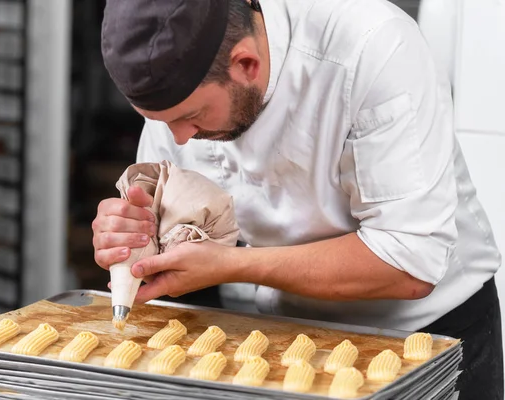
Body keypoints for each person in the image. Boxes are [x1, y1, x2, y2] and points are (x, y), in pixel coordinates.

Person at [93, 0, 503, 397]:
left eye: (192, 118)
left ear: (246, 64)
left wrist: (230, 266)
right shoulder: (183, 92)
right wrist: (134, 239)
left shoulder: (373, 46)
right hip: (287, 339)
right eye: (161, 122)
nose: (178, 138)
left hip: (428, 335)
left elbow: (410, 262)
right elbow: (174, 217)